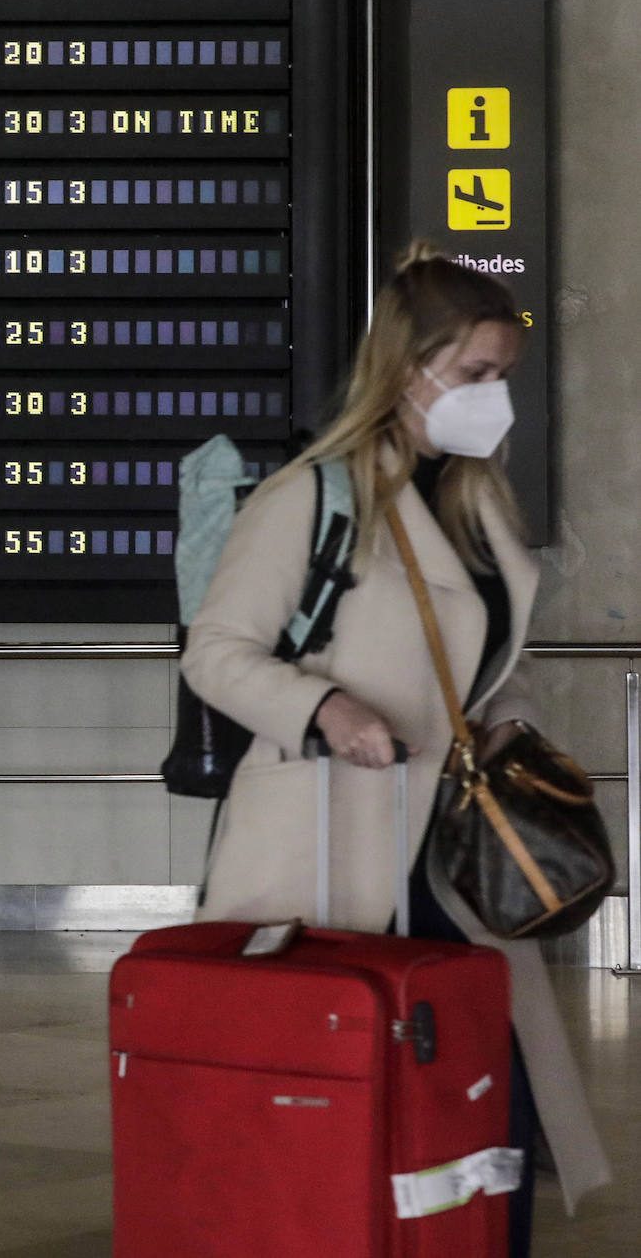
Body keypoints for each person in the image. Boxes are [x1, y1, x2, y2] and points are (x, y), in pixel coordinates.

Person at [180, 241, 610, 1253]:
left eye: (503, 376)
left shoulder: (472, 503)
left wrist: (505, 722)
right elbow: (217, 651)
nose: (494, 397)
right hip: (333, 840)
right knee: (345, 1086)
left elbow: (484, 660)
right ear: (409, 369)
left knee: (476, 1080)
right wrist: (324, 707)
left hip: (451, 841)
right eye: (475, 375)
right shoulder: (315, 496)